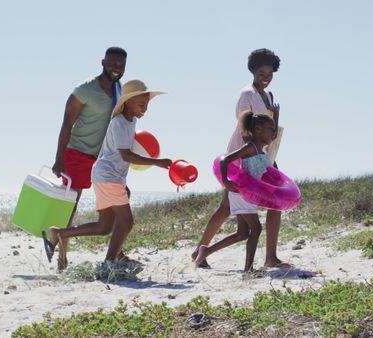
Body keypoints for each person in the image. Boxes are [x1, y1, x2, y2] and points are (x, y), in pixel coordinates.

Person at [42, 80, 170, 266]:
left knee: (104, 227)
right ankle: (110, 262)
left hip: (107, 176)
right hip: (107, 176)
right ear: (128, 102)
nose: (145, 109)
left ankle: (59, 233)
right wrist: (157, 162)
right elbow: (125, 155)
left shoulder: (131, 121)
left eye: (147, 104)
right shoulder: (118, 122)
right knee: (126, 222)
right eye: (142, 104)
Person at [192, 48, 291, 269]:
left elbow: (270, 129)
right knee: (228, 207)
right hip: (243, 155)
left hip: (262, 154)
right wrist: (248, 159)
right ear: (253, 71)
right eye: (261, 73)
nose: (266, 77)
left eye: (269, 73)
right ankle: (200, 252)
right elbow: (243, 128)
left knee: (269, 203)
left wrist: (268, 155)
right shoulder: (247, 94)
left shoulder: (269, 96)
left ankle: (269, 257)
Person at [51, 46, 127, 270]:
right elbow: (67, 124)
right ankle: (62, 259)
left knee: (118, 202)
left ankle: (117, 253)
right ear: (103, 62)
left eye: (121, 65)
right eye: (113, 63)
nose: (117, 68)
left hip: (103, 159)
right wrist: (59, 158)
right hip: (76, 154)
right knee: (70, 207)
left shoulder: (119, 90)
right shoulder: (85, 90)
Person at [194, 112, 276, 271]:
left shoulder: (262, 150)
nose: (273, 133)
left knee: (243, 233)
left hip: (249, 195)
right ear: (258, 129)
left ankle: (205, 251)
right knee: (257, 228)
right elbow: (226, 160)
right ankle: (249, 269)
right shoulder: (250, 147)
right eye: (270, 129)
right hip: (241, 192)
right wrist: (226, 181)